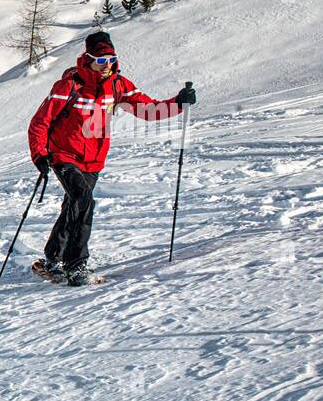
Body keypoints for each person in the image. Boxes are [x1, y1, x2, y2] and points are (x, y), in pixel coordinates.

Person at [27, 30, 196, 286]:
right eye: (100, 60)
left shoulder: (118, 85)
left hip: (93, 159)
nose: (106, 66)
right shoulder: (69, 85)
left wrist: (178, 103)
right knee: (83, 200)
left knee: (74, 204)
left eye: (110, 60)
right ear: (87, 59)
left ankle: (53, 257)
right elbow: (41, 122)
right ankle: (76, 266)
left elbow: (148, 109)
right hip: (64, 154)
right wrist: (40, 155)